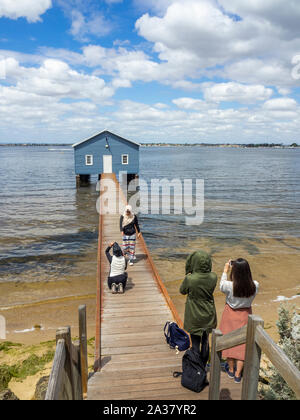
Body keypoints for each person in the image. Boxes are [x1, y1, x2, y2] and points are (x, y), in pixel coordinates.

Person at [219, 258, 259, 384]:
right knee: (242, 345)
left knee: (229, 342)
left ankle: (231, 370)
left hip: (230, 314)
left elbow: (221, 285)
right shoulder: (255, 285)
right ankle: (238, 374)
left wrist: (225, 270)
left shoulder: (230, 286)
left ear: (235, 271)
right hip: (245, 314)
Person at [179, 251, 218, 367]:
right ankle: (204, 366)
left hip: (194, 314)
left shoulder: (190, 279)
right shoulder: (213, 277)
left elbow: (182, 291)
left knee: (195, 342)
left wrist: (189, 274)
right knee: (205, 342)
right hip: (208, 313)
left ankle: (196, 368)